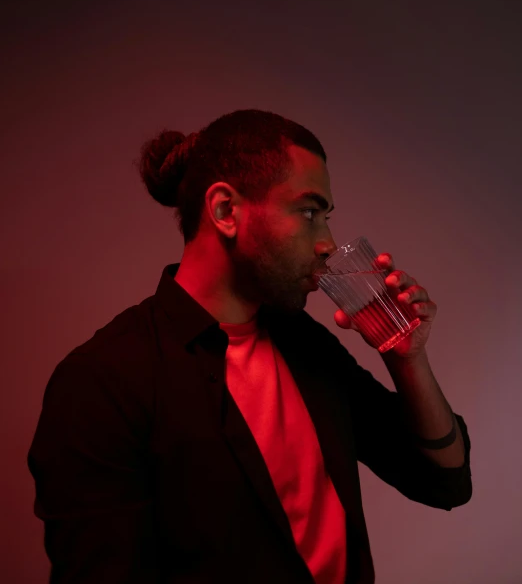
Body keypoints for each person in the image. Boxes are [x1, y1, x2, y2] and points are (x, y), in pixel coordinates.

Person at [28, 108, 472, 584]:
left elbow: (443, 481)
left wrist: (407, 359)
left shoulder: (303, 342)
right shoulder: (101, 383)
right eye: (308, 212)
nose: (327, 242)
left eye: (326, 217)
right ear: (224, 211)